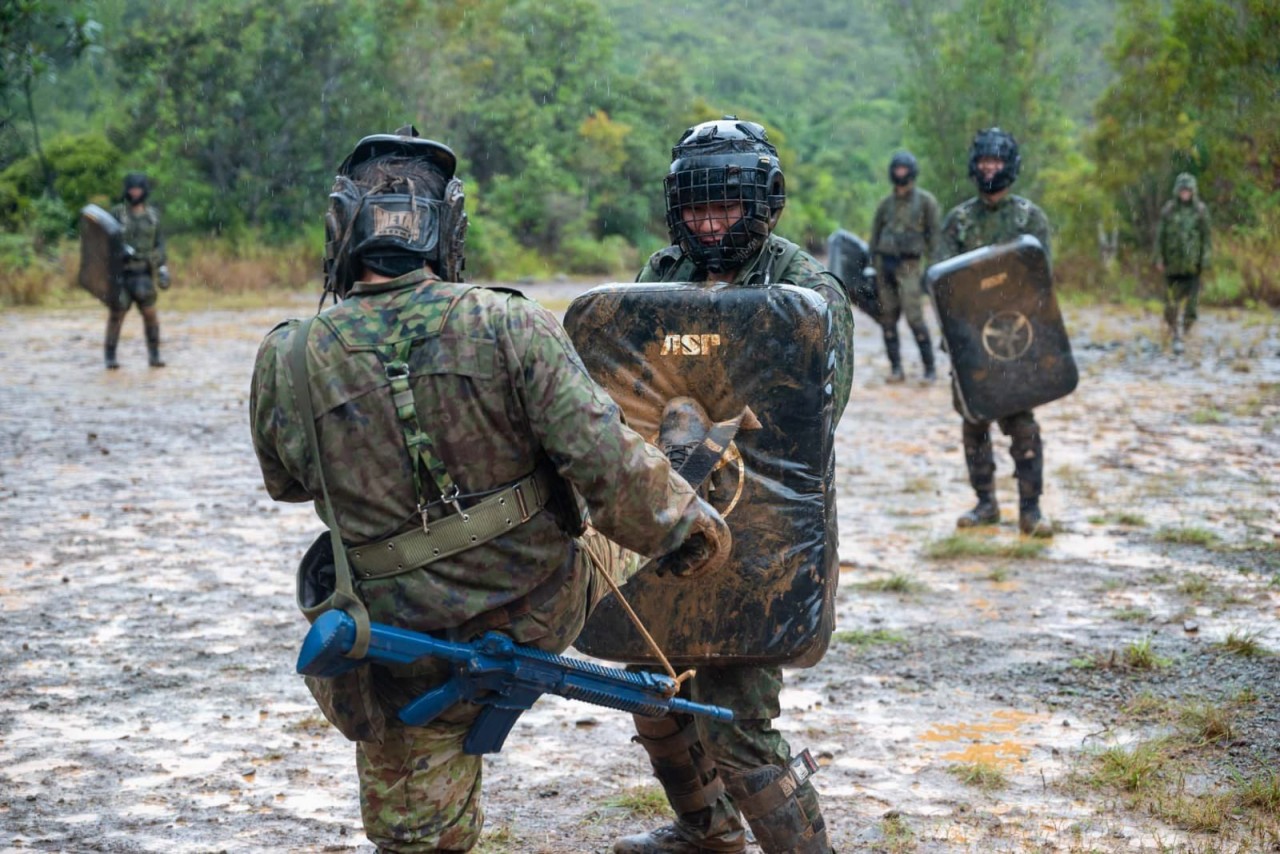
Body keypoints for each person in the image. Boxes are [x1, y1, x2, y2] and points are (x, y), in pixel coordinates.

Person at [248, 126, 732, 853]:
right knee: (654, 509)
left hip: (395, 640)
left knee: (418, 838)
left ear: (341, 229)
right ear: (448, 229)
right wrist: (692, 528)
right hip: (536, 605)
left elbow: (286, 483)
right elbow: (607, 469)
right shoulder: (510, 323)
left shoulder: (288, 355)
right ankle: (691, 478)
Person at [614, 117, 851, 854]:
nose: (709, 224)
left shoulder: (805, 291)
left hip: (761, 524)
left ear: (762, 203)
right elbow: (625, 384)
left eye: (725, 207)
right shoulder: (661, 276)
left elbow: (809, 420)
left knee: (739, 721)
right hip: (665, 512)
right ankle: (707, 829)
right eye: (696, 208)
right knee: (653, 687)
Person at [937, 128, 1054, 538]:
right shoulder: (959, 221)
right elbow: (943, 282)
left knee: (1023, 423)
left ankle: (1031, 509)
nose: (990, 167)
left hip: (1014, 338)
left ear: (1010, 165)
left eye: (997, 160)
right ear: (975, 165)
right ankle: (985, 503)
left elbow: (1040, 280)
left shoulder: (1029, 219)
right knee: (974, 422)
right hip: (968, 338)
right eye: (985, 160)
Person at [869, 150, 941, 382]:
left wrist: (933, 268)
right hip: (885, 264)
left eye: (904, 169)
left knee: (914, 316)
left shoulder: (926, 202)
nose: (900, 173)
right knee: (887, 317)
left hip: (910, 264)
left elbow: (934, 237)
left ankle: (930, 368)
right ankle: (896, 369)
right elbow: (875, 235)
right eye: (897, 169)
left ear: (911, 171)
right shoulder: (886, 204)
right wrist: (871, 265)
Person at [107, 172, 169, 368]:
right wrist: (118, 252)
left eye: (138, 189)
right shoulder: (118, 214)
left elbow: (160, 245)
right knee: (117, 315)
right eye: (132, 189)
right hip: (122, 273)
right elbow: (105, 241)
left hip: (144, 273)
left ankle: (154, 355)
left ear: (144, 191)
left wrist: (162, 268)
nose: (135, 193)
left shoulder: (153, 217)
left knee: (150, 314)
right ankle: (110, 356)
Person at [1155, 172, 1211, 354]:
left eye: (1188, 190)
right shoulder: (1168, 210)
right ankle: (1174, 333)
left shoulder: (1200, 211)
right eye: (1182, 190)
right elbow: (1160, 237)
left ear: (1193, 191)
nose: (1185, 193)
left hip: (1192, 266)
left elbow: (1206, 239)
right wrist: (1159, 258)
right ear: (1177, 191)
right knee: (1170, 303)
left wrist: (1205, 259)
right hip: (1172, 266)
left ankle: (1186, 332)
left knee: (1192, 306)